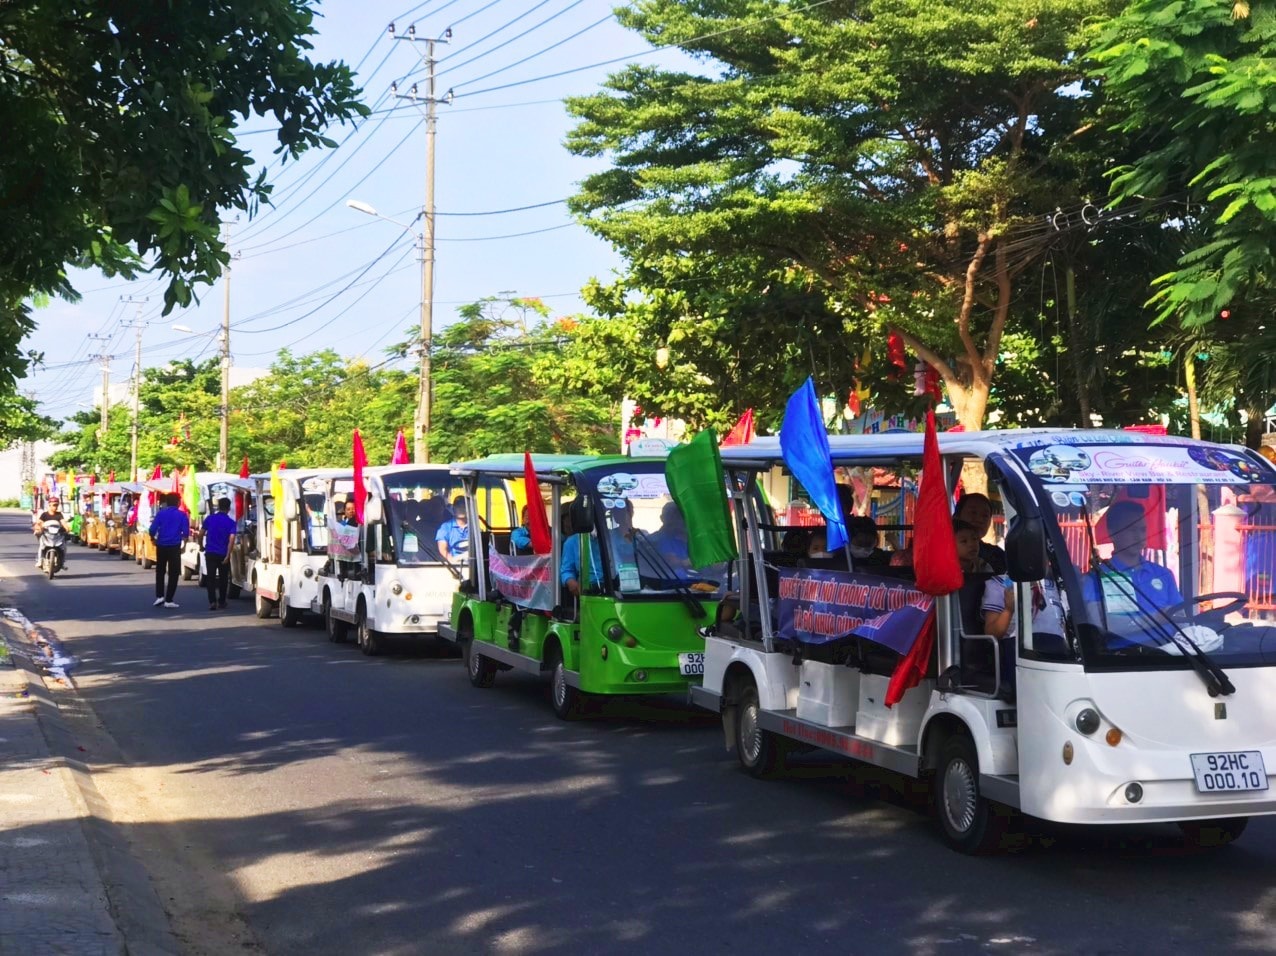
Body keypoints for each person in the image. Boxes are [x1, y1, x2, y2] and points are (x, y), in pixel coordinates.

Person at [1083, 499, 1183, 642]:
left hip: (1172, 655)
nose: (1139, 536)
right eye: (1131, 529)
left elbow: (1182, 618)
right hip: (1124, 659)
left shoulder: (1163, 574)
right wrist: (1156, 618)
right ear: (1113, 533)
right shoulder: (1096, 578)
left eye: (1142, 530)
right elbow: (1100, 625)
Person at [149, 492, 190, 608]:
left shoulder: (161, 513)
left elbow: (152, 529)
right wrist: (184, 545)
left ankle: (159, 596)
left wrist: (153, 538)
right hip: (174, 546)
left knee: (160, 571)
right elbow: (186, 533)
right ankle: (169, 599)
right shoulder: (182, 515)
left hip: (161, 545)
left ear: (166, 502)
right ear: (178, 502)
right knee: (174, 573)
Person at [954, 492, 1007, 574]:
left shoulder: (997, 555)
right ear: (956, 516)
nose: (979, 519)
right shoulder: (940, 554)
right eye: (973, 513)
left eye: (985, 515)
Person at [200, 497, 238, 611]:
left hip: (210, 552)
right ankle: (222, 601)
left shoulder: (209, 519)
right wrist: (228, 554)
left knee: (210, 578)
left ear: (218, 507)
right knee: (223, 578)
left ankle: (212, 602)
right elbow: (231, 539)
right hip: (223, 554)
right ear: (229, 508)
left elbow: (201, 533)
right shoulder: (231, 522)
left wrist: (201, 545)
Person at [34, 496, 68, 569]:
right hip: (46, 535)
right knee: (41, 546)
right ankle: (39, 561)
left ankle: (62, 562)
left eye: (56, 505)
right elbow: (39, 523)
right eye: (54, 505)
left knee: (64, 547)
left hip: (57, 536)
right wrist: (38, 527)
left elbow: (64, 523)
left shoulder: (59, 514)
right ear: (49, 505)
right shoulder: (44, 514)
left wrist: (67, 528)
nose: (55, 507)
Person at [435, 495, 470, 561]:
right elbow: (442, 549)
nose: (461, 509)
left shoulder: (474, 527)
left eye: (464, 506)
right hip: (453, 567)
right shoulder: (445, 527)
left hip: (472, 565)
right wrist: (452, 561)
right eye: (458, 506)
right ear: (453, 509)